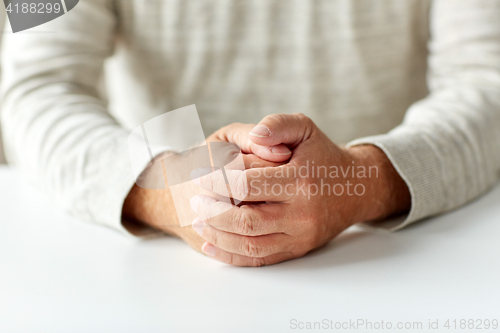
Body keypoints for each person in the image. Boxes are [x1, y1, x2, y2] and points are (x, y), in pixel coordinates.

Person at [1, 0, 499, 266]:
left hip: (403, 257)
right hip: (149, 277)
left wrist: (362, 182)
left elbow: (487, 77)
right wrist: (165, 190)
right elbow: (33, 85)